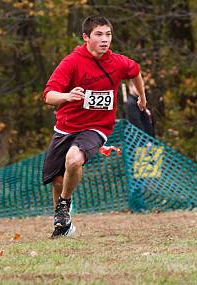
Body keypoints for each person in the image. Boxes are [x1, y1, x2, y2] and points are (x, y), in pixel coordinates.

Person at [42, 15, 147, 238]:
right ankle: (62, 224)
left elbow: (135, 71)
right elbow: (49, 96)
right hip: (66, 127)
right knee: (58, 180)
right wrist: (67, 96)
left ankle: (64, 203)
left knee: (74, 159)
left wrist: (142, 97)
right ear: (86, 37)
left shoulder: (118, 62)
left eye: (108, 34)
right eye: (99, 34)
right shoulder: (71, 62)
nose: (105, 39)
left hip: (97, 127)